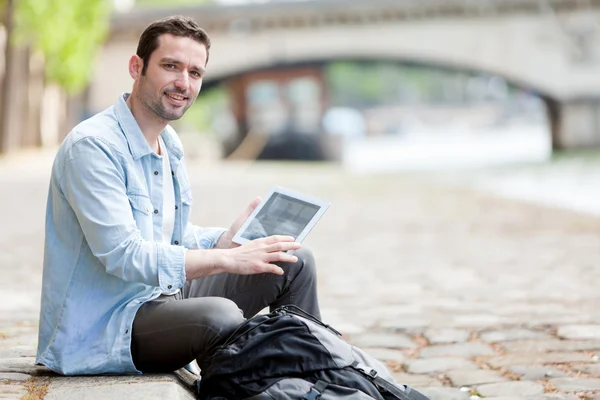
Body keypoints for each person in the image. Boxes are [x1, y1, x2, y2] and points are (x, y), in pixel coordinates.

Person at [36, 15, 321, 375]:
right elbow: (124, 255)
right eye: (171, 66)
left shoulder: (168, 143)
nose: (183, 83)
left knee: (293, 261)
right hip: (105, 327)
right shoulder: (92, 147)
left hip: (166, 297)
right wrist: (226, 261)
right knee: (220, 316)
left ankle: (312, 379)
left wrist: (227, 240)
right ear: (136, 67)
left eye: (195, 73)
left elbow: (171, 237)